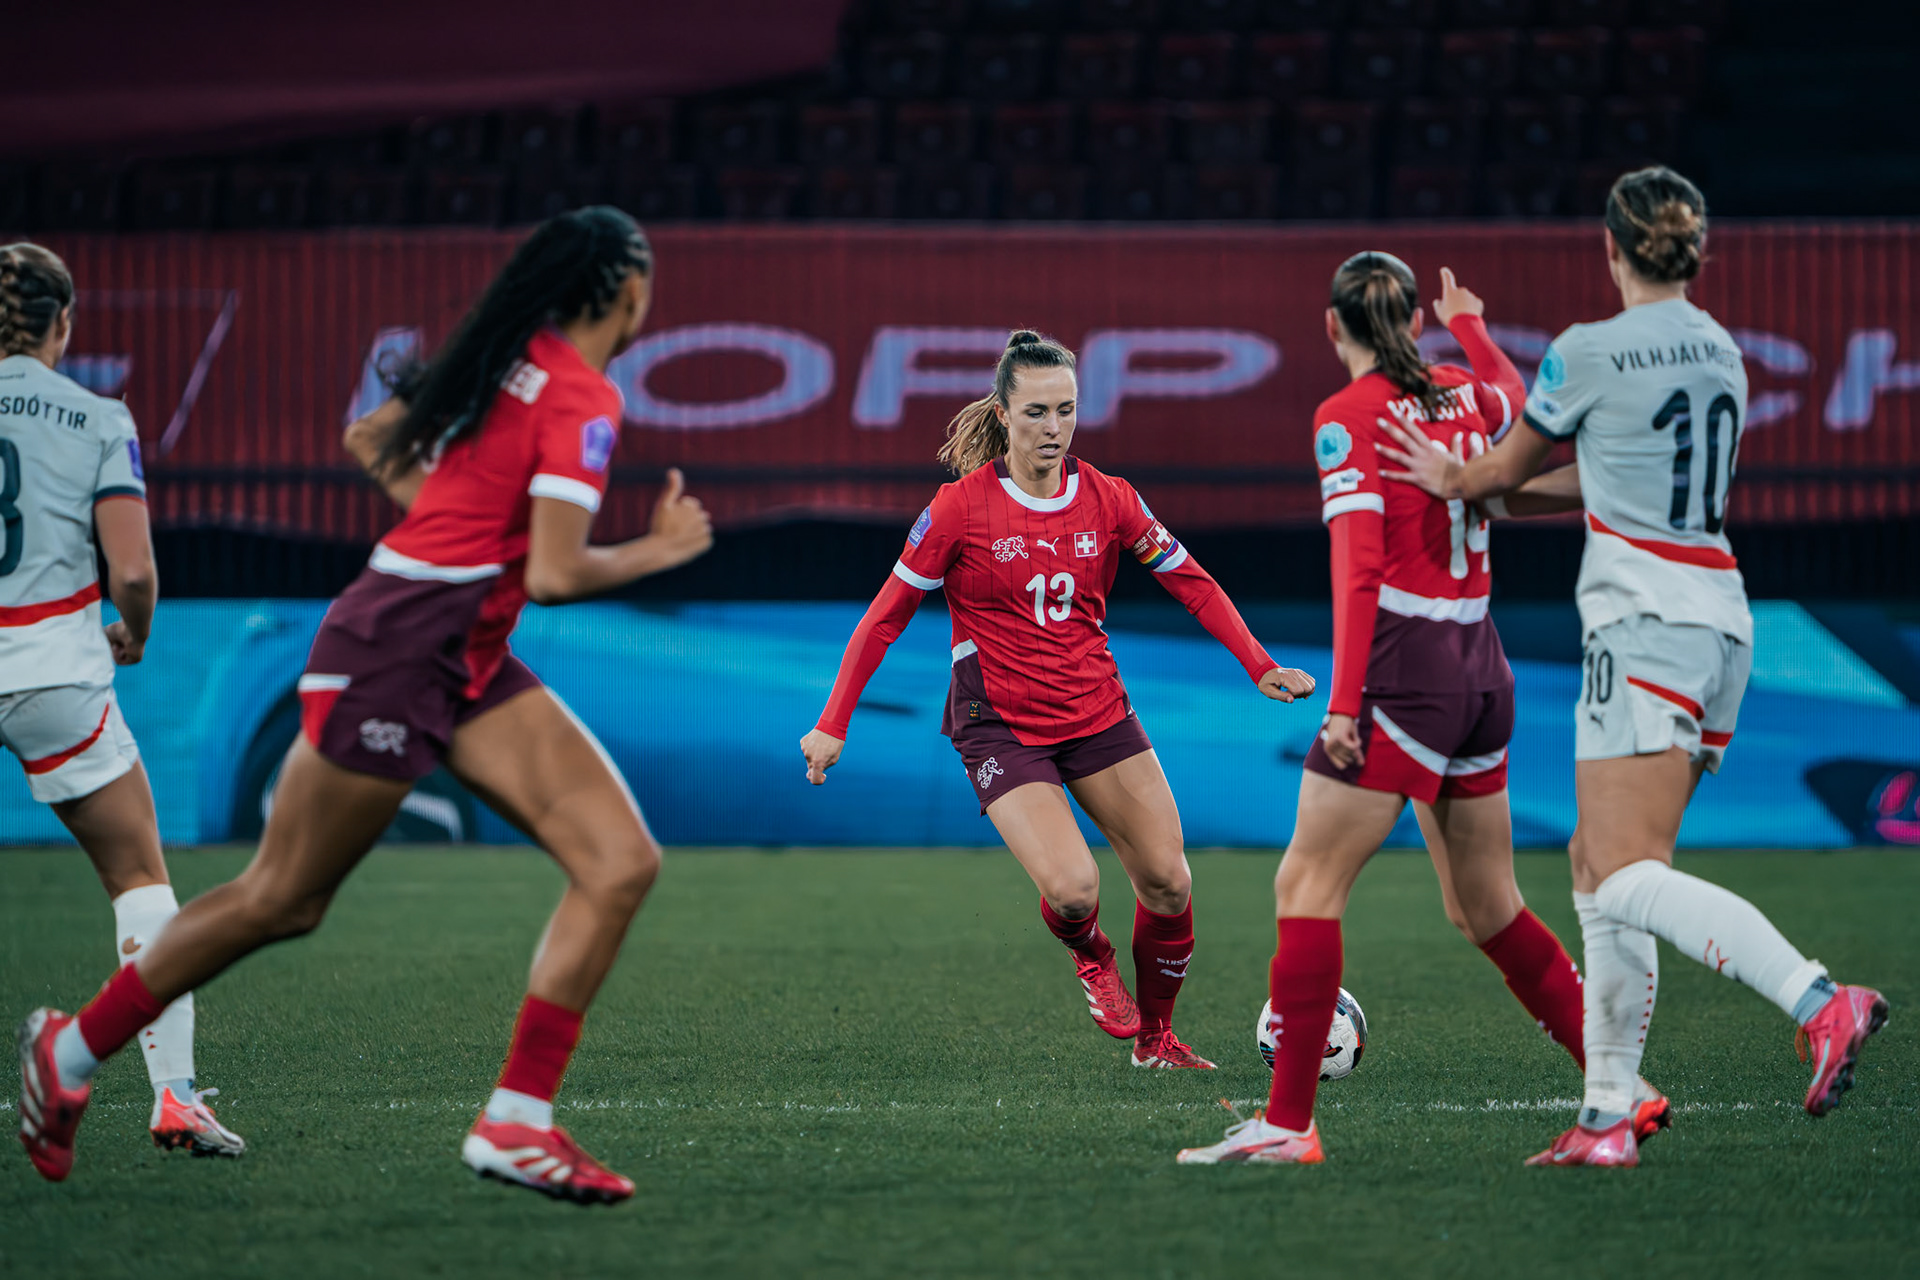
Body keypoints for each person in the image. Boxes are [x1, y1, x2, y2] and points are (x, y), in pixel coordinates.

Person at [15, 207, 715, 1201]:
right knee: (281, 897)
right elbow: (555, 573)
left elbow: (373, 435)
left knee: (618, 861)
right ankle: (71, 1051)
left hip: (459, 649)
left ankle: (517, 1119)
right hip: (397, 648)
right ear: (630, 289)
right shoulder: (585, 393)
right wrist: (664, 548)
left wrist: (449, 524)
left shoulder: (509, 357)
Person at [1377, 167, 1887, 1168]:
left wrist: (1457, 476)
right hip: (1723, 624)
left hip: (1644, 624)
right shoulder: (1723, 352)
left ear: (1611, 251)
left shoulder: (1589, 351)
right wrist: (1499, 487)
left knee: (1620, 870)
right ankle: (1607, 1112)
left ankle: (1819, 998)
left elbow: (1498, 466)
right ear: (1694, 252)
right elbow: (1602, 474)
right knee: (1597, 871)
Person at [1176, 255, 1665, 1166]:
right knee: (1487, 905)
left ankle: (1287, 1125)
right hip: (1483, 671)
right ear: (1413, 322)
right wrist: (1473, 328)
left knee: (1305, 886)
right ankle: (1619, 1086)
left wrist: (1346, 705)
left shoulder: (1345, 419)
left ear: (1334, 328)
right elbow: (1521, 406)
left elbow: (1358, 567)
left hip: (1406, 674)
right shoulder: (1458, 391)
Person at [800, 330, 1316, 1071]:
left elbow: (1190, 580)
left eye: (1067, 411)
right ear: (1004, 414)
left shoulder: (1110, 497)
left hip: (1098, 714)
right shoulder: (958, 510)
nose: (1054, 428)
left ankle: (1156, 1040)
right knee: (1075, 893)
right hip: (1000, 725)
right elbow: (883, 617)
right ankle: (1093, 956)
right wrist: (831, 724)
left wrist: (1258, 665)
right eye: (1037, 412)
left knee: (1170, 883)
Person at [1, 243, 244, 1159]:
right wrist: (133, 631)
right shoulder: (97, 414)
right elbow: (132, 569)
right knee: (141, 879)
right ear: (62, 323)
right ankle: (175, 1096)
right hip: (54, 673)